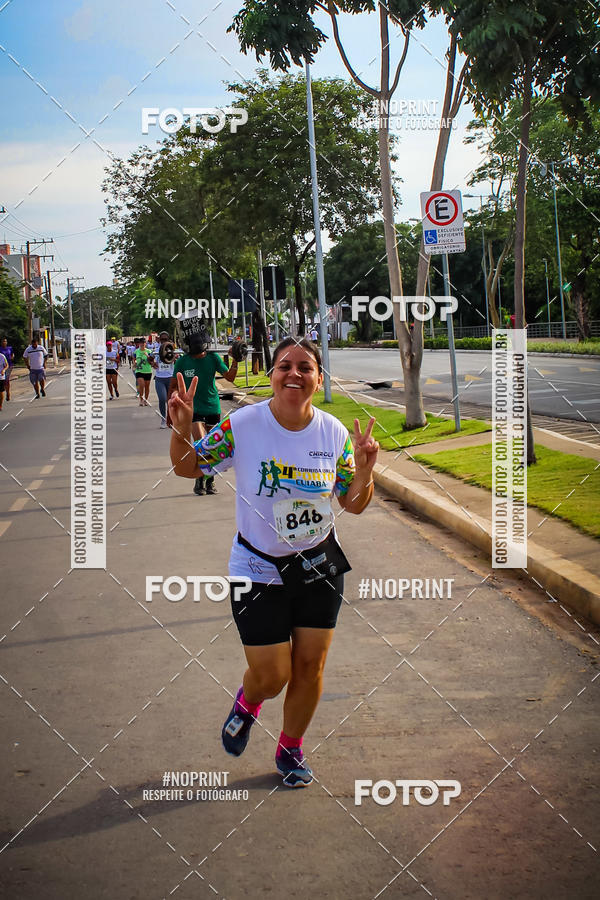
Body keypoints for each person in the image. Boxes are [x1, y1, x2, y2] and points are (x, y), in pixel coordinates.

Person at [168, 337, 379, 788]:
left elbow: (354, 503)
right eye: (285, 365)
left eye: (306, 367)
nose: (294, 374)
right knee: (272, 675)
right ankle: (248, 702)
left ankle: (290, 748)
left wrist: (364, 471)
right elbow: (188, 467)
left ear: (318, 379)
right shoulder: (243, 424)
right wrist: (182, 429)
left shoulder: (333, 433)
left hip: (317, 564)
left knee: (310, 666)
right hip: (257, 566)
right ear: (271, 375)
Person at [169, 330, 238, 495]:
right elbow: (173, 387)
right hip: (194, 409)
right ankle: (199, 480)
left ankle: (210, 482)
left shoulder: (213, 358)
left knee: (212, 447)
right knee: (202, 443)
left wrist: (235, 358)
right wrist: (171, 409)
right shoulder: (182, 361)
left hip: (212, 407)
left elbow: (230, 377)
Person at [154, 331, 174, 428]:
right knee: (162, 399)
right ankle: (163, 419)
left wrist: (176, 358)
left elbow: (180, 358)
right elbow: (149, 358)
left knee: (170, 400)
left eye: (165, 339)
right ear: (159, 340)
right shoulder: (156, 350)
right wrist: (153, 363)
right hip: (159, 378)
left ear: (168, 340)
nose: (163, 341)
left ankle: (171, 419)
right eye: (162, 340)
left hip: (170, 378)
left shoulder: (173, 350)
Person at [134, 337, 153, 406]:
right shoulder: (136, 351)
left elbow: (151, 362)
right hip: (139, 371)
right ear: (139, 343)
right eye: (141, 343)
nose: (142, 344)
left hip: (148, 371)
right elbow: (134, 359)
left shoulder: (149, 351)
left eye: (144, 343)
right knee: (141, 385)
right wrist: (134, 363)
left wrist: (147, 356)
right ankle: (141, 400)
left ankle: (146, 400)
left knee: (147, 387)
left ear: (145, 343)